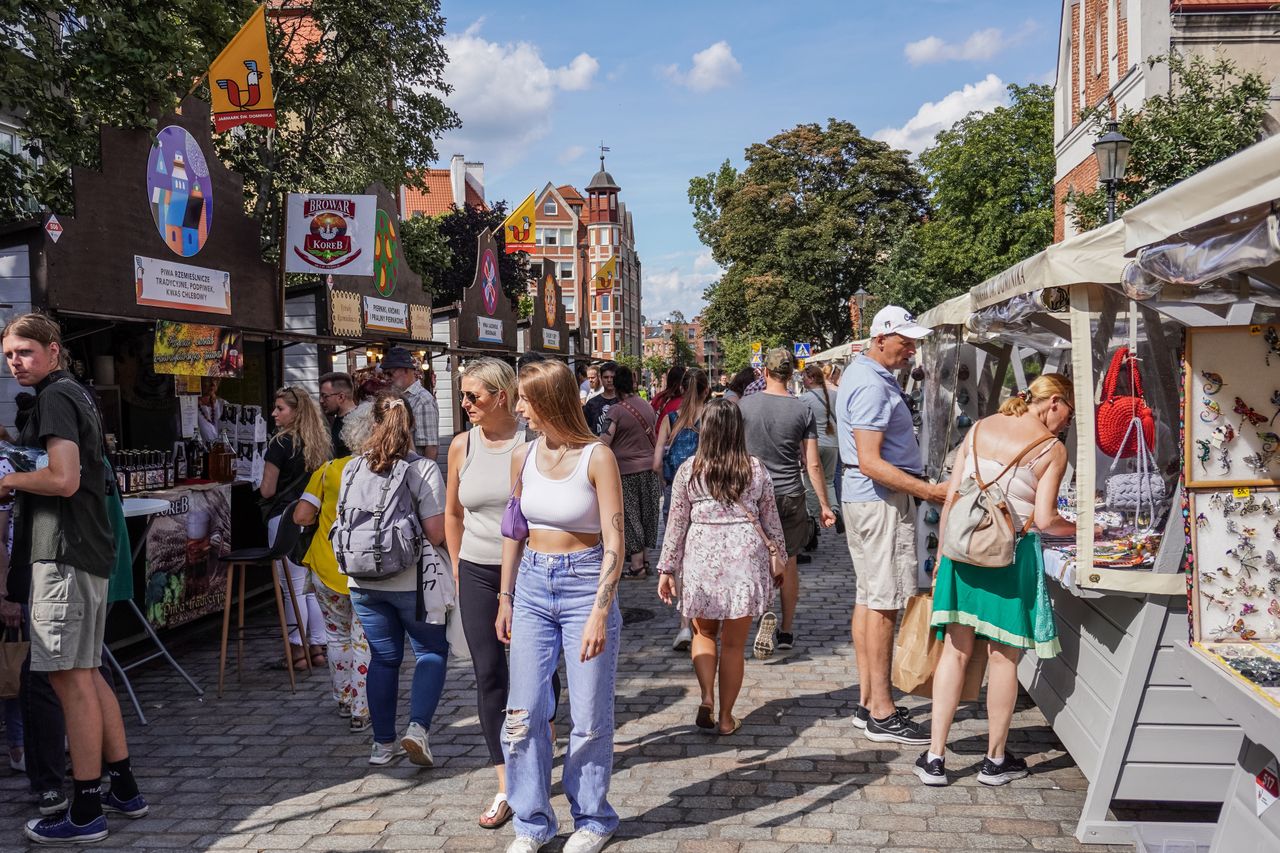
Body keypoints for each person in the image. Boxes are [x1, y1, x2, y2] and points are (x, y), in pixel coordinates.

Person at [0, 313, 147, 844]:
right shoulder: (72, 393)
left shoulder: (54, 397)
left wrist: (6, 478)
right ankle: (123, 787)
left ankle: (85, 809)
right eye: (10, 355)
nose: (16, 362)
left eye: (25, 352)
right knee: (88, 673)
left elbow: (63, 478)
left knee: (70, 679)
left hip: (63, 551)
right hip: (81, 548)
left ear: (54, 351)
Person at [917, 375, 1073, 787]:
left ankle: (935, 758)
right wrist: (1078, 529)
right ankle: (994, 760)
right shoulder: (1052, 450)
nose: (1065, 425)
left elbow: (952, 495)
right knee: (1005, 659)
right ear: (1054, 403)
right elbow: (1044, 519)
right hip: (1009, 557)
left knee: (955, 652)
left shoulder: (981, 427)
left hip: (962, 551)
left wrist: (940, 557)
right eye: (1068, 414)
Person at [496, 359, 624, 853]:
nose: (518, 407)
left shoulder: (597, 457)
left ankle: (593, 817)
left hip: (584, 584)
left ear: (549, 400)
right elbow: (515, 531)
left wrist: (599, 609)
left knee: (589, 714)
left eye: (524, 398)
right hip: (531, 585)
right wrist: (507, 597)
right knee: (523, 711)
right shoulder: (521, 457)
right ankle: (531, 824)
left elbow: (615, 539)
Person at [837, 306, 948, 745]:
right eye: (906, 342)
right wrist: (929, 493)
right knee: (882, 602)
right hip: (879, 499)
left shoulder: (866, 375)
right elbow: (870, 460)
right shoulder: (870, 383)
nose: (912, 350)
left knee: (869, 598)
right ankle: (882, 710)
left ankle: (869, 702)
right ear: (881, 337)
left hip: (866, 497)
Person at [656, 399, 785, 734]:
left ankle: (706, 697)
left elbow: (676, 523)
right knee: (732, 645)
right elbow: (771, 519)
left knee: (704, 633)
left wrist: (667, 568)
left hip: (703, 557)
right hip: (745, 557)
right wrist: (779, 557)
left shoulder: (689, 470)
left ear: (705, 430)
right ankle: (727, 718)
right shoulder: (754, 469)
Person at [339, 391, 452, 767]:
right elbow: (435, 533)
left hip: (362, 582)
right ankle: (418, 729)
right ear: (412, 425)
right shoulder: (422, 469)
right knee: (430, 652)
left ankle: (381, 745)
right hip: (410, 581)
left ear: (373, 423)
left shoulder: (352, 468)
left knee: (383, 660)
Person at [443, 358, 528, 829]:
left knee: (535, 676)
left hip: (531, 572)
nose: (465, 404)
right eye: (463, 396)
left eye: (473, 396)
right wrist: (457, 568)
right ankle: (506, 783)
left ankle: (533, 764)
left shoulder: (531, 441)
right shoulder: (462, 445)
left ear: (500, 396)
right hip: (476, 570)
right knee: (489, 674)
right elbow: (453, 514)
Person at [738, 349, 835, 655]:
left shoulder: (745, 406)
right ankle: (787, 629)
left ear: (764, 372)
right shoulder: (801, 410)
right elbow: (812, 464)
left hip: (752, 493)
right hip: (790, 492)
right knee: (789, 560)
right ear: (792, 373)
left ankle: (762, 609)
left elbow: (735, 454)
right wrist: (823, 503)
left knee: (755, 559)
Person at [292, 402, 375, 732]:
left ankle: (343, 697)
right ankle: (361, 707)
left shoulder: (327, 471)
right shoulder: (380, 471)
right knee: (363, 640)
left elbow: (301, 515)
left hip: (327, 565)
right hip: (367, 569)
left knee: (336, 637)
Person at [259, 386, 332, 671]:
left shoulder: (279, 444)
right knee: (309, 587)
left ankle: (296, 648)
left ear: (296, 412)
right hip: (313, 517)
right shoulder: (320, 444)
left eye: (281, 409)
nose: (274, 414)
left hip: (285, 517)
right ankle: (316, 646)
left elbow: (267, 490)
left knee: (292, 588)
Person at [653, 369, 711, 650]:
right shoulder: (711, 418)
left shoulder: (670, 418)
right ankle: (702, 616)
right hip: (706, 496)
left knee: (677, 555)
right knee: (700, 556)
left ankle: (684, 626)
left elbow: (655, 462)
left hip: (675, 492)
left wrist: (666, 483)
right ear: (706, 390)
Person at [600, 365, 661, 581]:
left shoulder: (616, 410)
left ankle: (636, 567)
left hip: (626, 471)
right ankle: (644, 560)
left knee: (631, 517)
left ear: (616, 386)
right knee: (647, 516)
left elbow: (605, 440)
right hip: (649, 470)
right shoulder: (646, 406)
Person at [800, 364, 840, 543]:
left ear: (811, 378)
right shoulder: (835, 395)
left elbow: (800, 425)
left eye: (803, 377)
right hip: (832, 444)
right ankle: (836, 511)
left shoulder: (804, 399)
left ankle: (814, 519)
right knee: (829, 481)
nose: (802, 380)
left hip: (813, 445)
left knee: (810, 482)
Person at [382, 347, 439, 460]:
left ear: (406, 370)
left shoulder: (423, 400)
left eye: (389, 373)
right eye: (385, 373)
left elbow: (431, 447)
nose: (386, 378)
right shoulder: (396, 396)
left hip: (413, 470)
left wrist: (424, 476)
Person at [318, 371, 358, 458]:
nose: (321, 400)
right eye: (320, 396)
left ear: (341, 397)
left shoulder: (358, 425)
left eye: (325, 396)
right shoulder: (338, 419)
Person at [581, 361, 618, 437]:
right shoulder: (591, 403)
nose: (609, 380)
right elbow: (585, 428)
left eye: (612, 377)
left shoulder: (623, 402)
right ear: (601, 378)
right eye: (606, 377)